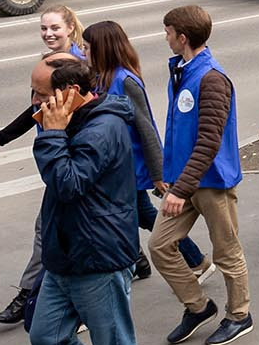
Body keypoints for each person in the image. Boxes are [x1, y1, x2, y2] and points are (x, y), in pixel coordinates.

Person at [26, 53, 153, 345]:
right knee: (47, 336)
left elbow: (67, 183)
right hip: (67, 253)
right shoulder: (68, 122)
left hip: (97, 254)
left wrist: (53, 134)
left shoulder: (102, 128)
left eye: (41, 94)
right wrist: (53, 132)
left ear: (72, 93)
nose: (33, 103)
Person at [150, 5, 253, 345]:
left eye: (167, 32)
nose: (164, 38)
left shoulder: (211, 78)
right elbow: (178, 128)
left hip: (211, 184)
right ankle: (198, 307)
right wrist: (169, 177)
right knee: (160, 245)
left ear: (182, 38)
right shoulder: (181, 70)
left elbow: (209, 141)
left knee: (226, 252)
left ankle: (240, 315)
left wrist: (181, 188)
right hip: (183, 182)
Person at [81, 20, 206, 284]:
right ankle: (193, 261)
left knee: (136, 217)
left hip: (130, 165)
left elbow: (146, 127)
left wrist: (158, 172)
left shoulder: (125, 81)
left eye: (87, 48)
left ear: (102, 49)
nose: (83, 52)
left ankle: (186, 262)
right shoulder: (99, 77)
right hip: (114, 165)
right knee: (142, 214)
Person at [0, 4, 89, 326]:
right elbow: (35, 109)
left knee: (48, 232)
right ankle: (143, 260)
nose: (48, 34)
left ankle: (29, 295)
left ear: (70, 28)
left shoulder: (78, 67)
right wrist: (2, 136)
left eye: (55, 28)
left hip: (72, 162)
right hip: (56, 158)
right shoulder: (47, 65)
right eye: (44, 29)